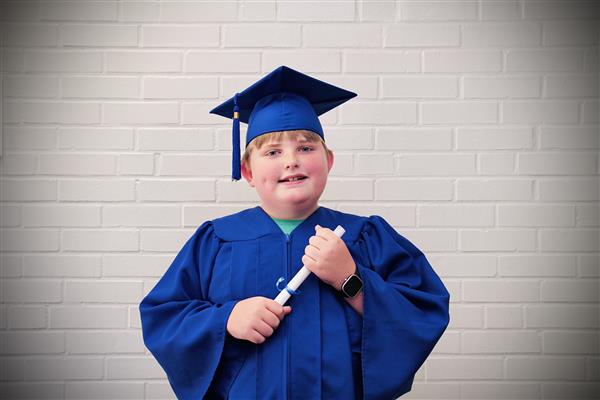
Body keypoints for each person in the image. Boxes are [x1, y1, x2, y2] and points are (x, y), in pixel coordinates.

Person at [139, 66, 450, 400]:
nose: (291, 161)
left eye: (306, 148)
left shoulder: (365, 237)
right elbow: (163, 317)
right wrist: (226, 319)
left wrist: (352, 281)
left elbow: (423, 312)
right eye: (273, 152)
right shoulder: (216, 240)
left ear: (328, 161)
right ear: (247, 171)